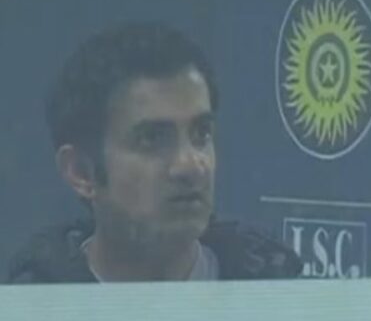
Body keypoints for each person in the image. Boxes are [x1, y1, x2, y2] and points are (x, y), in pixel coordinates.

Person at [8, 23, 301, 282]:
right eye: (152, 139)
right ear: (81, 172)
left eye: (201, 134)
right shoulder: (30, 307)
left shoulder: (281, 295)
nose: (191, 166)